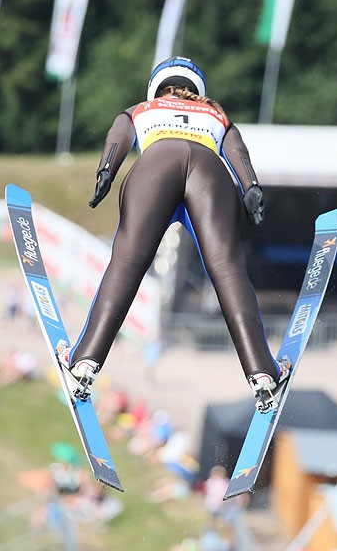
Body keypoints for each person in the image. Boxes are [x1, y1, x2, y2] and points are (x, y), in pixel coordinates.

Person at [58, 57, 288, 408]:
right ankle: (263, 374)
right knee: (227, 269)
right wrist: (251, 186)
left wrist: (106, 171)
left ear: (156, 87)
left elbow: (118, 136)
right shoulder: (216, 113)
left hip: (157, 163)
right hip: (209, 170)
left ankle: (84, 361)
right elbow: (237, 151)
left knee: (128, 262)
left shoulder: (141, 109)